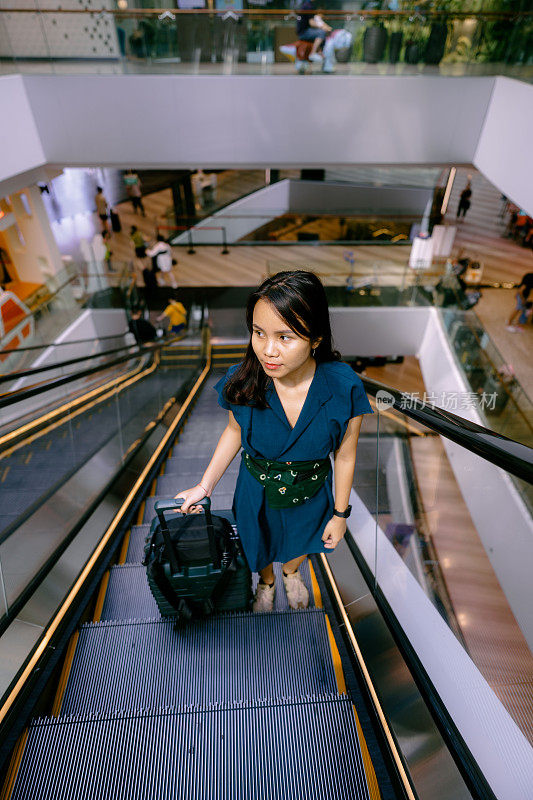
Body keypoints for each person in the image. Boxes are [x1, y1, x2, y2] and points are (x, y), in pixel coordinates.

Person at [175, 270, 373, 612]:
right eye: (259, 332)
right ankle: (266, 582)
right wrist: (204, 486)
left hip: (310, 488)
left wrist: (340, 514)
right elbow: (234, 431)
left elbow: (345, 455)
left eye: (285, 337)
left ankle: (291, 574)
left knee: (301, 539)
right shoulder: (243, 380)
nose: (268, 350)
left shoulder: (344, 386)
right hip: (257, 487)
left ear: (315, 339)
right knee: (259, 540)